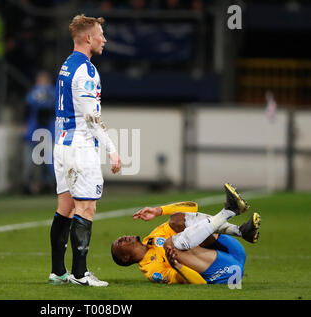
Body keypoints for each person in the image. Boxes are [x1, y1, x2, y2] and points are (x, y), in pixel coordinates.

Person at [49, 14, 122, 287]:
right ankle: (80, 274)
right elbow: (91, 117)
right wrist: (112, 149)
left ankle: (58, 272)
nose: (104, 39)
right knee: (87, 208)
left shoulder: (67, 65)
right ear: (88, 38)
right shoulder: (87, 70)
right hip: (80, 147)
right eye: (100, 34)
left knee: (66, 208)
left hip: (62, 145)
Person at [111, 184, 261, 285]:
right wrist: (176, 265)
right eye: (119, 243)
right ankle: (229, 211)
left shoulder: (154, 236)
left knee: (175, 221)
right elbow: (198, 282)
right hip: (225, 272)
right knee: (171, 245)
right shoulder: (152, 270)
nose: (122, 237)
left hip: (232, 250)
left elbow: (191, 207)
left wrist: (159, 211)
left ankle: (240, 231)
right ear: (125, 258)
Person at [23, 71, 56, 194]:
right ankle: (47, 184)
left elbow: (27, 109)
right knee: (48, 160)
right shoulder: (53, 93)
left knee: (34, 159)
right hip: (47, 131)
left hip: (35, 130)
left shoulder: (33, 93)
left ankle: (31, 185)